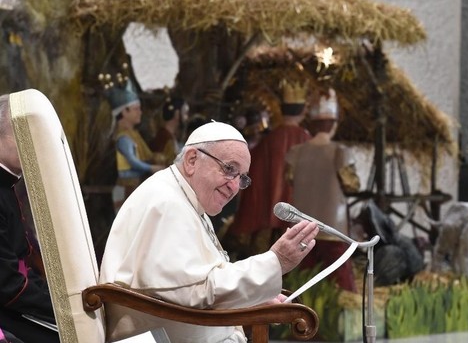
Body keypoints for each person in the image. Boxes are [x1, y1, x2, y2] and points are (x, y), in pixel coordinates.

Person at [99, 121, 319, 343]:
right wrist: (275, 261)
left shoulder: (186, 199)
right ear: (192, 160)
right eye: (229, 169)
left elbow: (198, 283)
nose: (234, 186)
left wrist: (250, 301)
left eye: (241, 177)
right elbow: (194, 292)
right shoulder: (166, 204)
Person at [284, 88, 360, 292]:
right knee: (339, 287)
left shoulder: (295, 153)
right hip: (333, 229)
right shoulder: (340, 152)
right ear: (334, 125)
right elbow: (352, 185)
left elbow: (289, 180)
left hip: (301, 228)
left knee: (300, 285)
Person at [226, 80, 312, 257]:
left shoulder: (269, 139)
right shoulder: (306, 140)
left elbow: (254, 176)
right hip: (295, 214)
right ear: (303, 110)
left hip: (267, 215)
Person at [0, 94, 59, 343]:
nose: (32, 143)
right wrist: (60, 309)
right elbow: (7, 284)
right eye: (22, 133)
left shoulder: (8, 183)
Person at [100, 71, 165, 202]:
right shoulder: (123, 138)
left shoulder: (134, 135)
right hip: (127, 186)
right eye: (136, 109)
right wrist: (151, 168)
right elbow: (132, 161)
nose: (140, 112)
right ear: (125, 111)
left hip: (135, 184)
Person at [151, 96, 186, 165]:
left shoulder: (170, 135)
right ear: (176, 113)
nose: (187, 117)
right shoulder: (164, 137)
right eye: (185, 113)